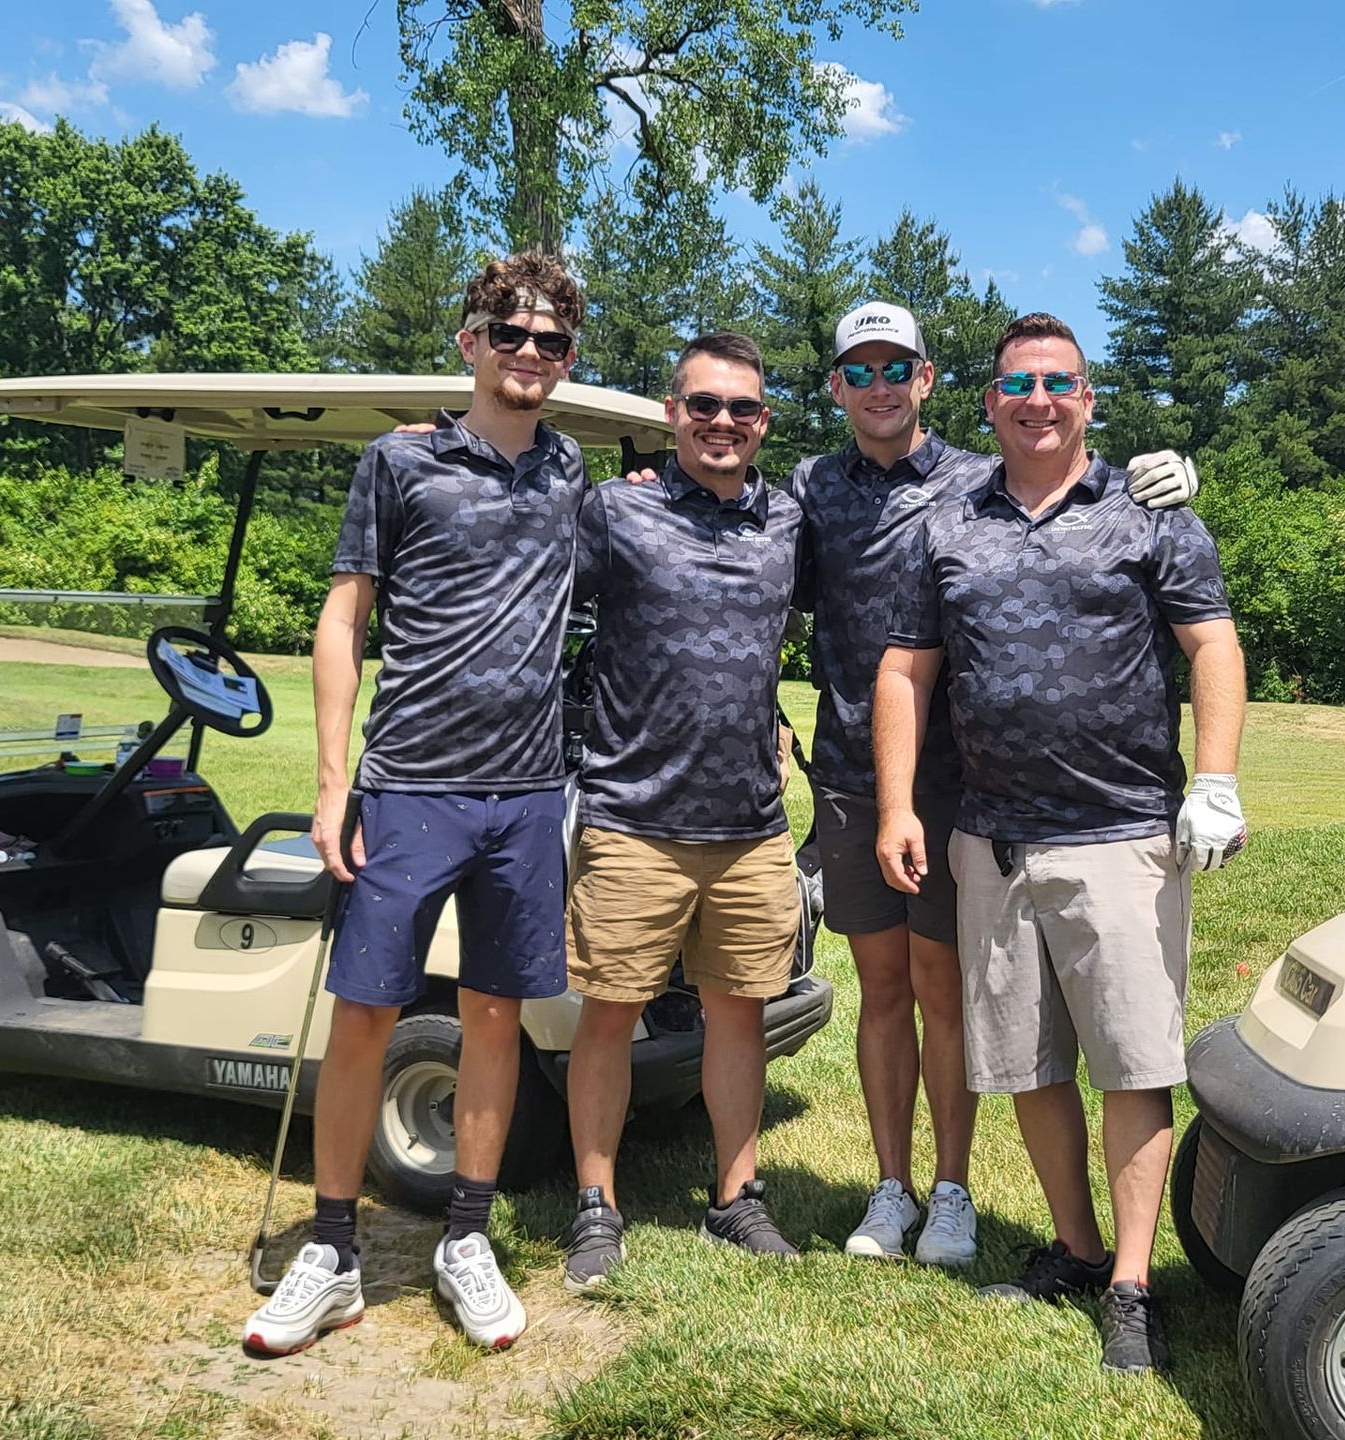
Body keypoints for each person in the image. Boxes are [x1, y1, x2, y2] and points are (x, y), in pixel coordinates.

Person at [791, 300, 1204, 1266]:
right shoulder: (809, 489)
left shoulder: (979, 478)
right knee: (882, 988)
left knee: (952, 993)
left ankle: (953, 1191)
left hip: (968, 780)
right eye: (862, 370)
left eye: (900, 367)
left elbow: (1067, 464)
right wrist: (647, 479)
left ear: (931, 381)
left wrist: (1174, 479)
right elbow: (732, 523)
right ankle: (891, 1190)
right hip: (861, 769)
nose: (882, 385)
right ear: (838, 387)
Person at [873, 312, 1248, 1375]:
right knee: (1029, 1063)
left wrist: (1214, 782)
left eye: (1059, 381)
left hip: (1120, 837)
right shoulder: (946, 526)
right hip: (990, 842)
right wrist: (901, 806)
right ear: (988, 402)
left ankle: (1132, 1284)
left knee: (1132, 1063)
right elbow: (905, 671)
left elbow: (1211, 644)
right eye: (1018, 383)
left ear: (1088, 398)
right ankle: (1078, 1250)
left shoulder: (1151, 511)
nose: (1038, 398)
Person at [243, 252, 590, 1356]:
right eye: (509, 332)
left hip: (529, 791)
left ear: (565, 360)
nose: (528, 352)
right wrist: (334, 781)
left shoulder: (572, 475)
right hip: (408, 788)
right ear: (469, 342)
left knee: (495, 1017)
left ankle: (468, 1238)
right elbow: (344, 621)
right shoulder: (400, 464)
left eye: (549, 341)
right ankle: (334, 1250)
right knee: (366, 1013)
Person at [558, 332, 807, 1291]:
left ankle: (735, 1196)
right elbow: (526, 588)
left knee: (737, 1016)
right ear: (672, 414)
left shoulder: (789, 521)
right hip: (633, 815)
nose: (722, 424)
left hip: (748, 824)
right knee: (610, 1015)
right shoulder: (615, 513)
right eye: (702, 405)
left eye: (742, 408)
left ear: (764, 422)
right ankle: (596, 1203)